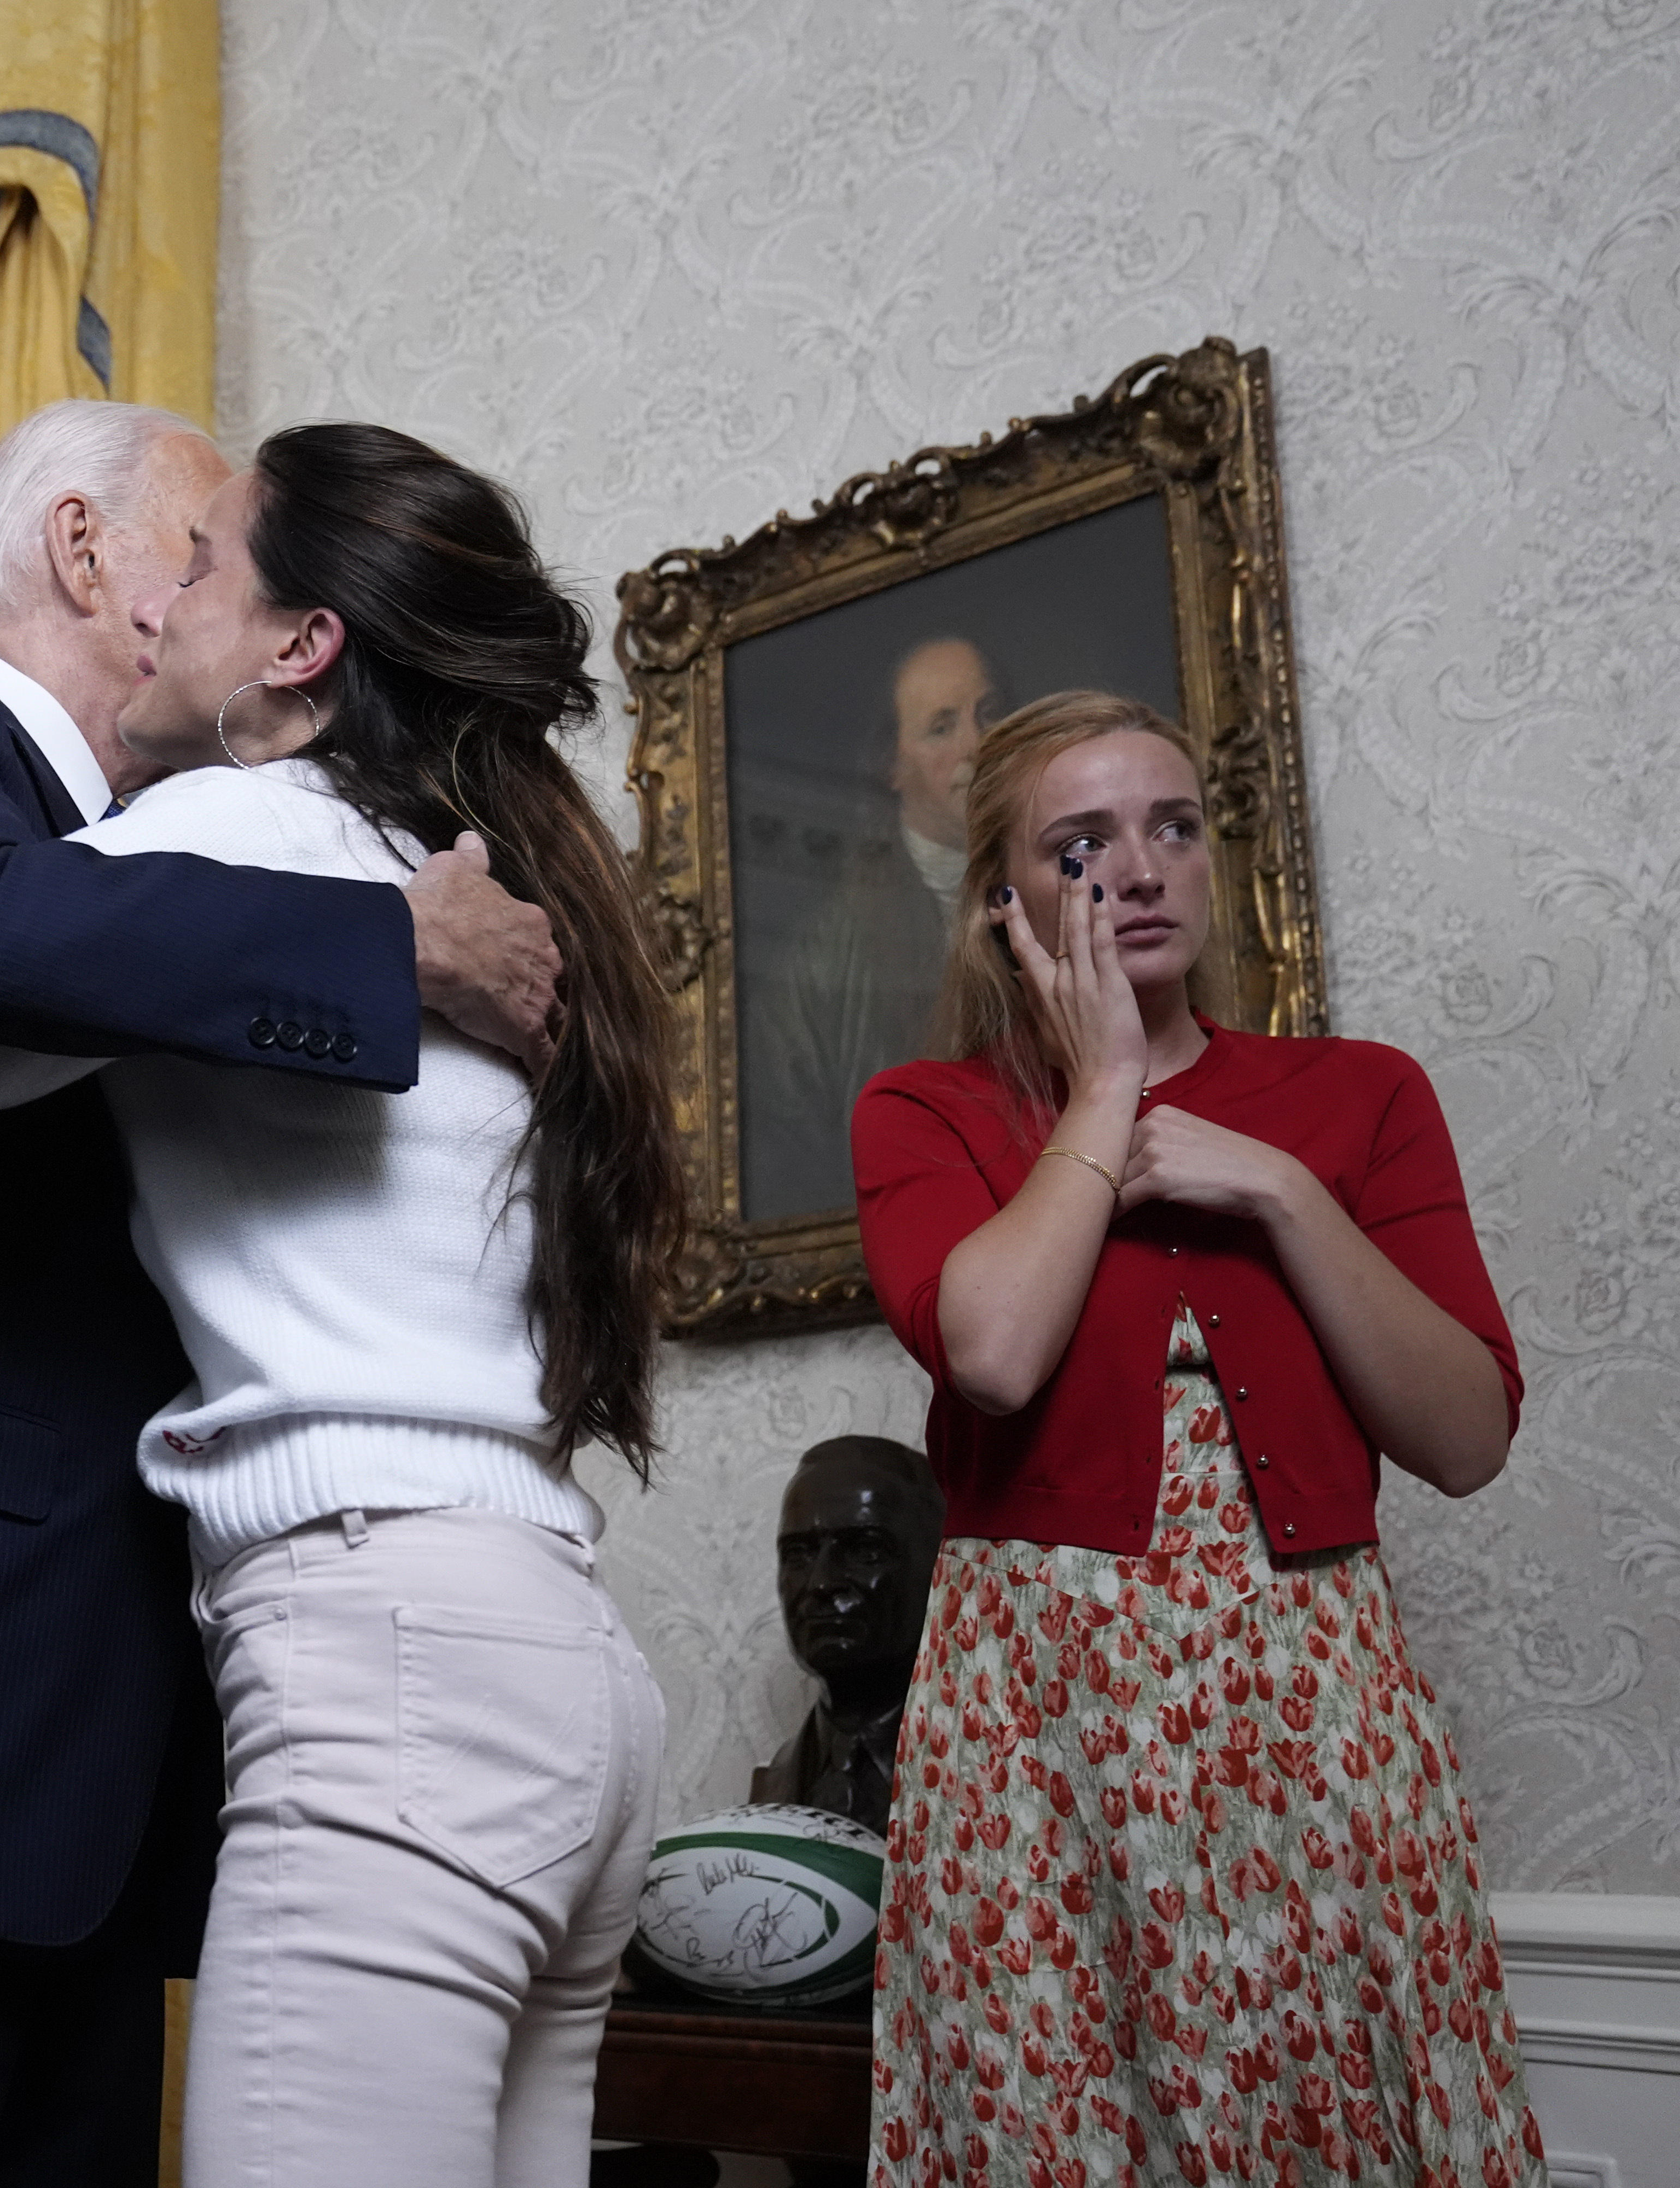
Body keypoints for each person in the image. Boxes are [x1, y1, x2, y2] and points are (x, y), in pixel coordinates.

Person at [0, 420, 682, 2188]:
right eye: (177, 551)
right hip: (554, 1668)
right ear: (81, 555)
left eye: (214, 568)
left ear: (304, 644)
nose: (175, 604)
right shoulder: (455, 863)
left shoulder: (227, 840)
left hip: (369, 1662)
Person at [851, 690, 1549, 2186]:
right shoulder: (929, 1111)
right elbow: (993, 1349)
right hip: (1041, 1725)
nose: (1144, 869)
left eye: (1172, 827)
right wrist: (1104, 1085)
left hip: (1309, 1702)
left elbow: (1468, 1434)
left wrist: (1285, 1193)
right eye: (1084, 843)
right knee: (1064, 2114)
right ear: (1007, 900)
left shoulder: (1361, 1096)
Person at [743, 635, 1002, 1221]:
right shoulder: (821, 961)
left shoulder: (1067, 893)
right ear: (893, 765)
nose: (977, 744)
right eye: (942, 727)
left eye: (987, 714)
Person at [750, 1436, 943, 1834]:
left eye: (865, 1551)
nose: (821, 1583)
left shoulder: (987, 1772)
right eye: (799, 1554)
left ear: (937, 1569)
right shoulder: (777, 1784)